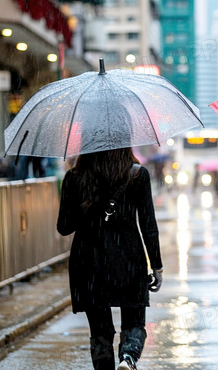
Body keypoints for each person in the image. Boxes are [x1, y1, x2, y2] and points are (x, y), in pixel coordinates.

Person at [56, 147, 163, 370]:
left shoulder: (74, 177)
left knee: (100, 332)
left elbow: (64, 227)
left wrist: (86, 206)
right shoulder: (137, 174)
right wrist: (156, 266)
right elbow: (148, 225)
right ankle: (128, 357)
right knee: (134, 321)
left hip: (88, 261)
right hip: (127, 259)